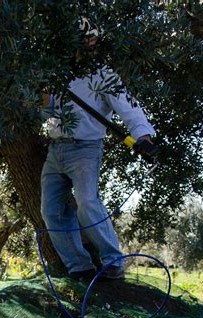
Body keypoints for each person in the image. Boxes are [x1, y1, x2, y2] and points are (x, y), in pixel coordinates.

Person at [41, 47, 155, 281]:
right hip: (55, 149)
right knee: (51, 211)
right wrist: (41, 94)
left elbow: (128, 106)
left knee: (87, 202)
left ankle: (113, 261)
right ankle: (79, 267)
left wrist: (143, 136)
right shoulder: (57, 70)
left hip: (85, 148)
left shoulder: (103, 74)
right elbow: (48, 110)